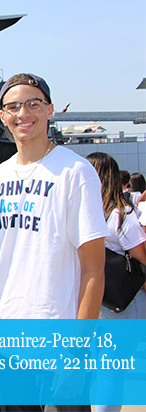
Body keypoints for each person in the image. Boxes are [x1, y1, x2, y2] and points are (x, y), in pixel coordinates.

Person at [0, 74, 110, 411]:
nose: (22, 113)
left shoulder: (76, 171)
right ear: (3, 116)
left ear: (50, 110)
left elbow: (93, 269)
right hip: (8, 339)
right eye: (13, 106)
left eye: (33, 104)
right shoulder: (1, 174)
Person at [87, 153, 146, 412]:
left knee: (107, 369)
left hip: (112, 302)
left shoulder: (109, 215)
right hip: (112, 301)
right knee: (109, 370)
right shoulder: (118, 215)